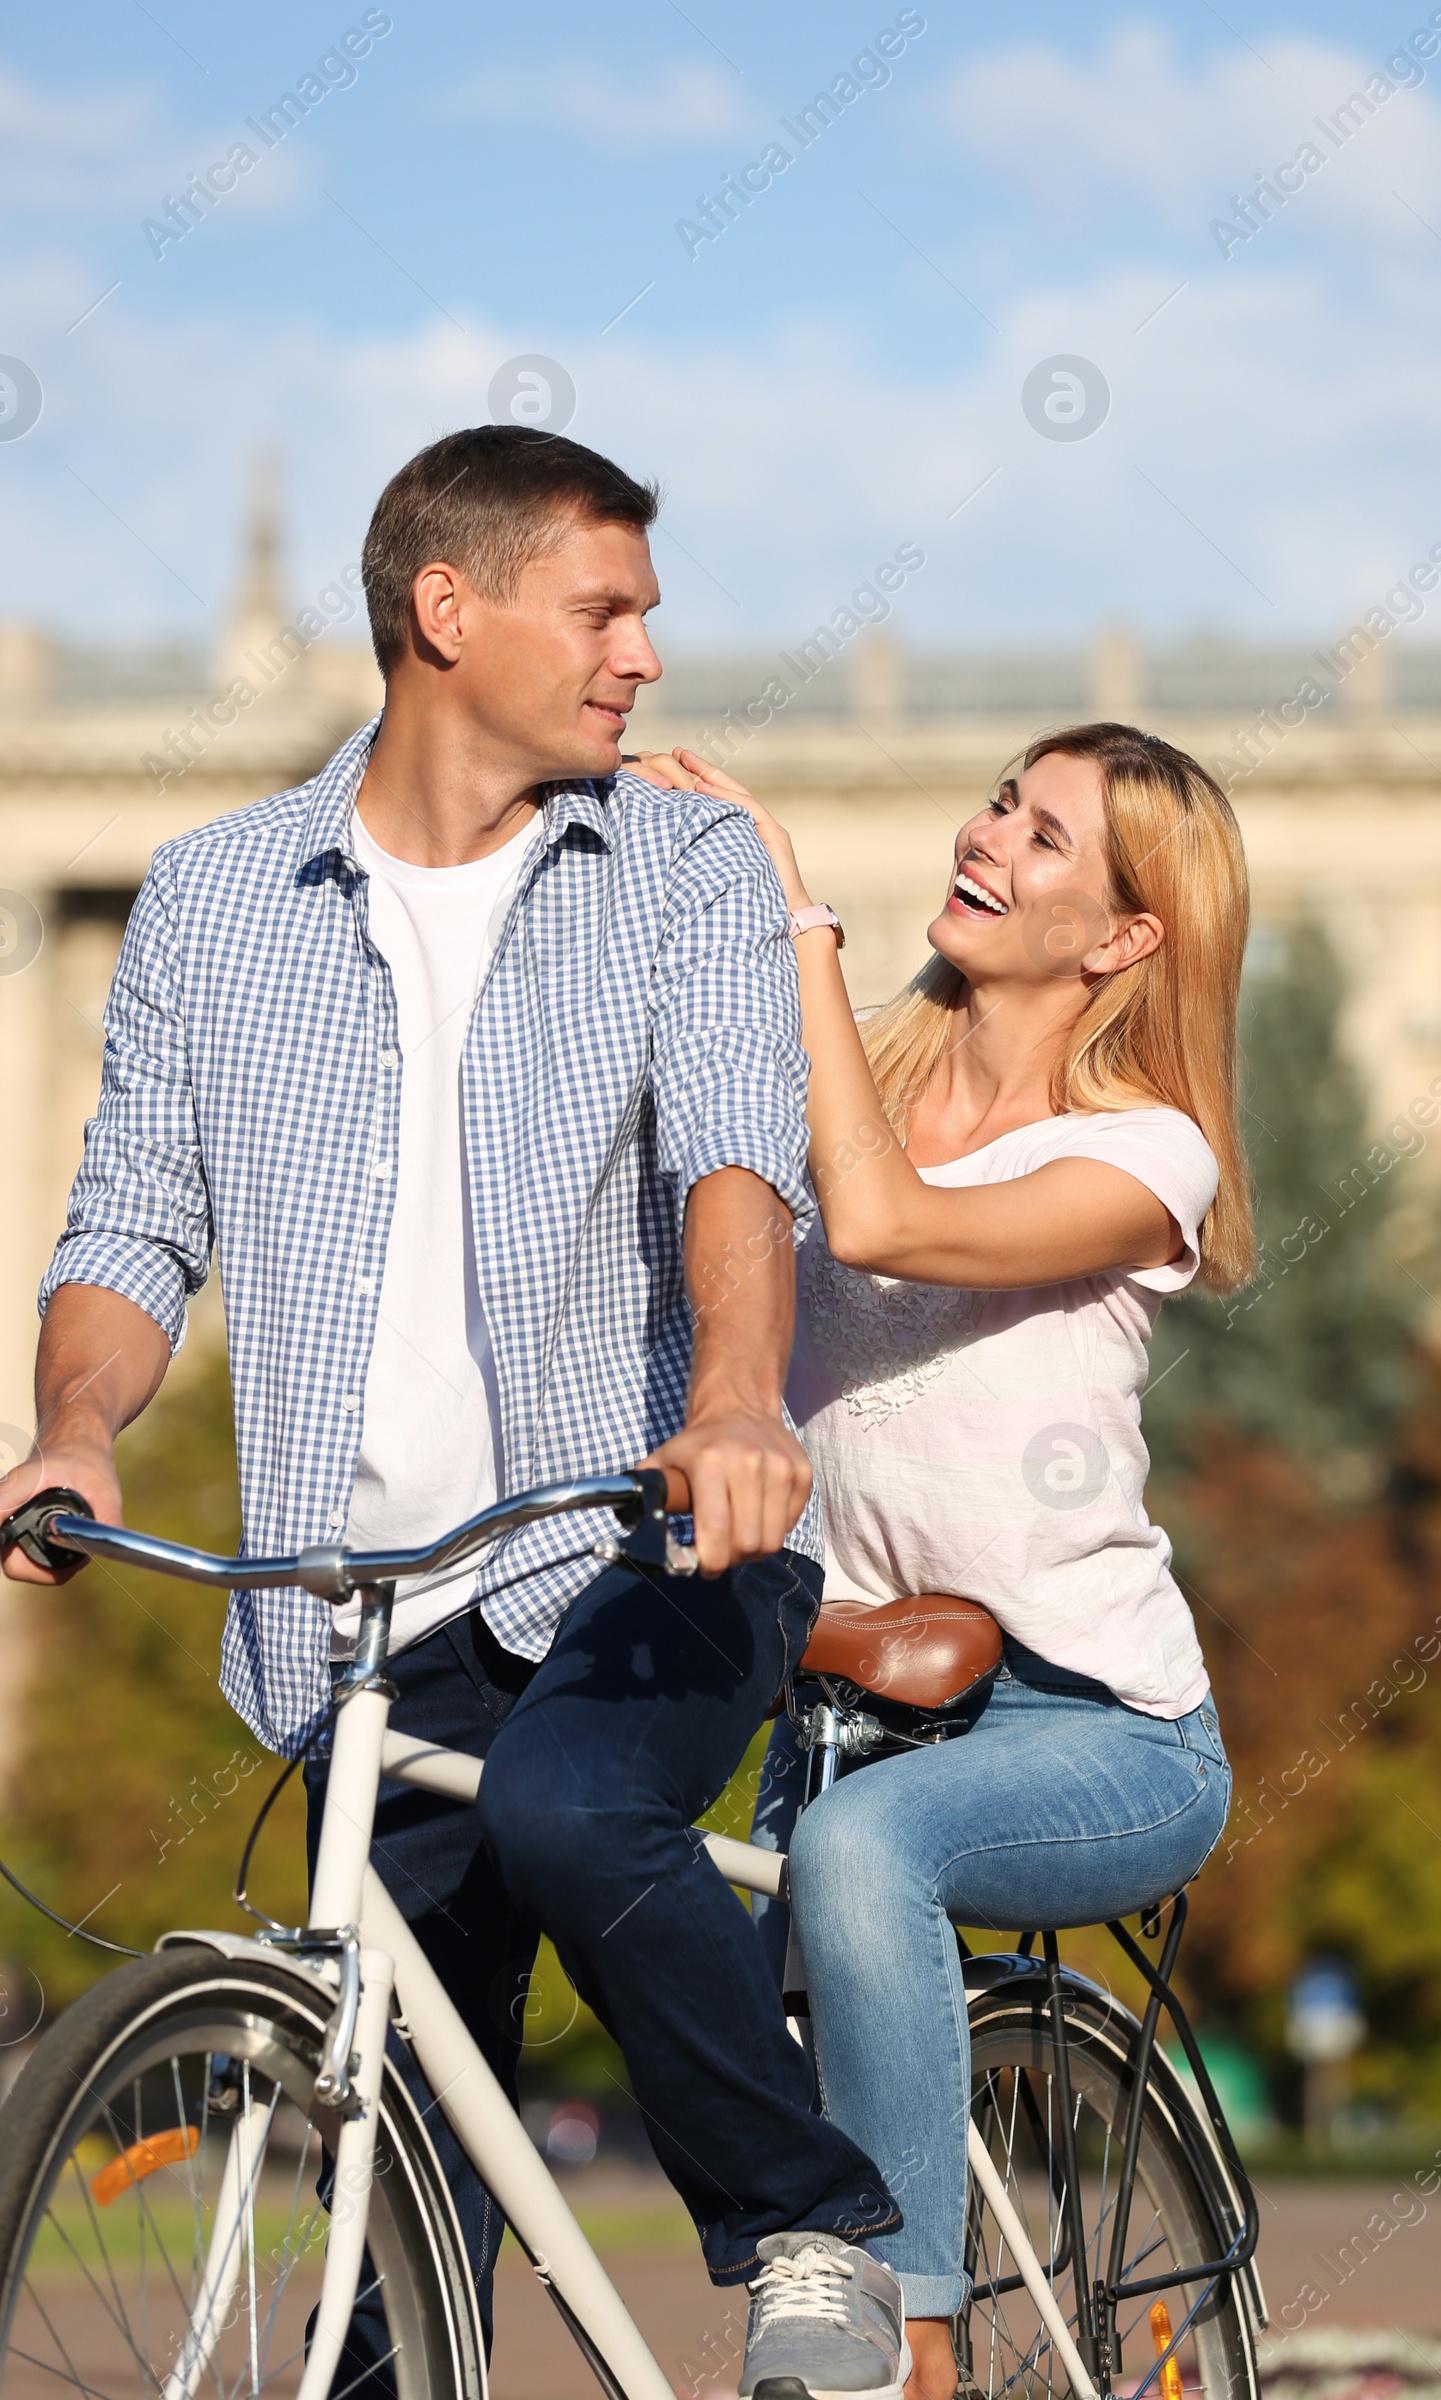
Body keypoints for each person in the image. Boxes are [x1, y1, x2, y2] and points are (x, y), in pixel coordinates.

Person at [0, 427, 911, 2400]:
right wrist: (79, 1424)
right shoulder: (212, 902)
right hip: (357, 1618)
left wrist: (740, 1401)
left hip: (651, 1547)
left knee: (573, 1804)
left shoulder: (679, 865)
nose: (644, 657)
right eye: (604, 609)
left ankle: (810, 2230)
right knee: (388, 2231)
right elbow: (131, 1221)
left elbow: (734, 1163)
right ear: (448, 612)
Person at [631, 721, 1253, 2400]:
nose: (991, 839)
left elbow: (891, 1221)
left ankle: (908, 2344)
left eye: (1048, 840)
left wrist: (799, 925)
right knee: (628, 1897)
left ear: (1125, 937)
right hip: (850, 1694)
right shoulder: (865, 1080)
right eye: (1001, 803)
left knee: (859, 1852)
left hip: (1096, 1728)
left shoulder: (1144, 1153)